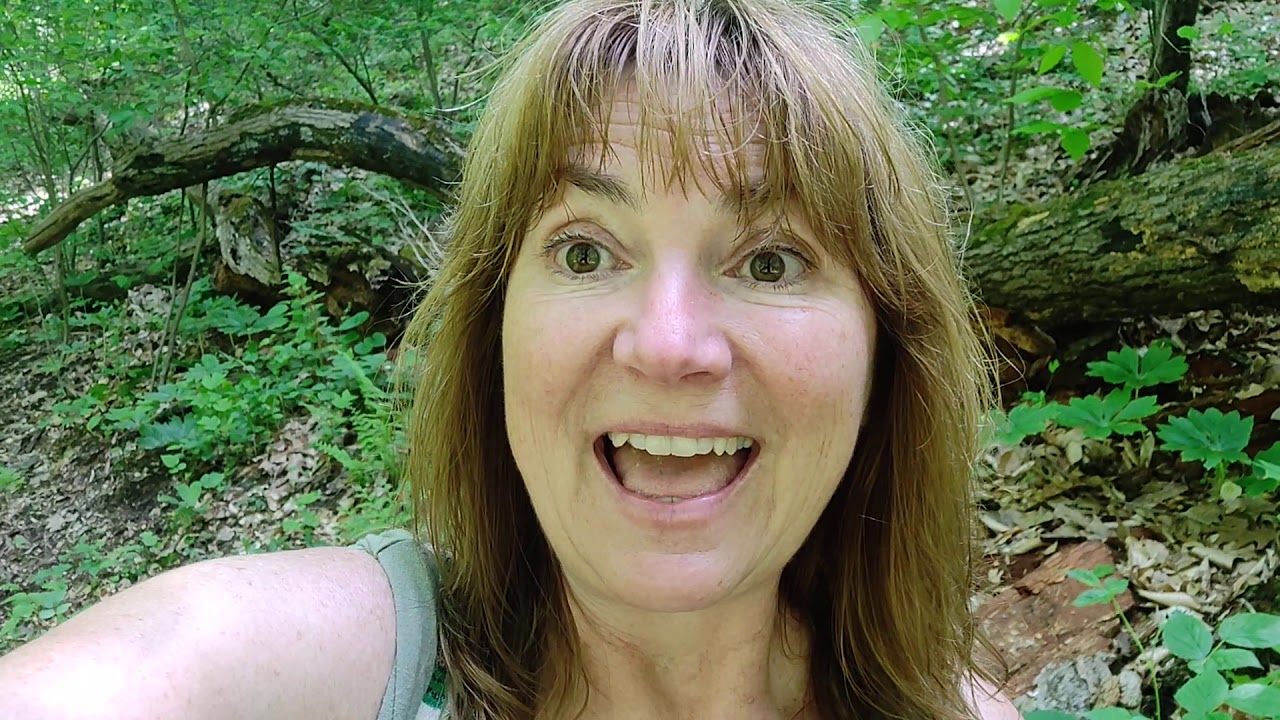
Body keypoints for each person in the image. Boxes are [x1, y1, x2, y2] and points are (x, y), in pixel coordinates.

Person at [0, 0, 1023, 718]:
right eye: (584, 253)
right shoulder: (333, 670)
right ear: (493, 329)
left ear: (885, 348)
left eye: (769, 261)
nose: (668, 344)